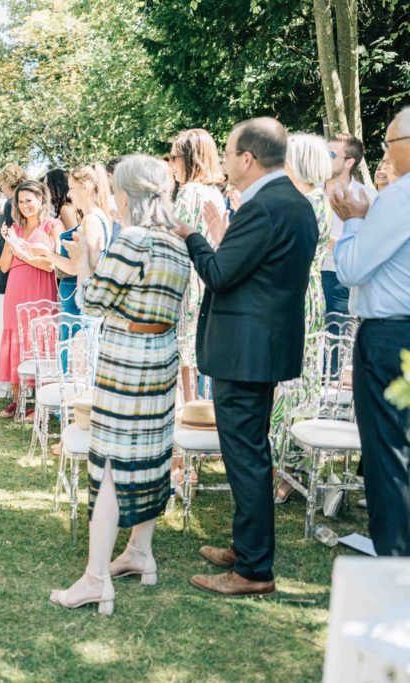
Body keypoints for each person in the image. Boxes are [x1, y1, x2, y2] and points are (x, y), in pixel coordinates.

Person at [177, 117, 317, 597]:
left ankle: (254, 569)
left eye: (230, 153)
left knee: (246, 457)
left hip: (245, 352)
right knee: (250, 451)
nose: (226, 162)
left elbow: (217, 273)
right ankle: (245, 546)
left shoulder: (263, 209)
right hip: (264, 347)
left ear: (248, 159)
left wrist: (190, 236)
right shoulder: (294, 203)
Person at [48, 155, 191, 615]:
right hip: (162, 356)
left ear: (125, 194)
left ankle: (95, 579)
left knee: (110, 460)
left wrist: (87, 262)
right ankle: (139, 553)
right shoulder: (175, 243)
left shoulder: (133, 241)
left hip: (127, 358)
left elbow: (92, 300)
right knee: (150, 456)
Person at [331, 106, 410, 557]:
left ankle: (394, 560)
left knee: (386, 454)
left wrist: (355, 219)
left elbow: (353, 269)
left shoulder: (399, 197)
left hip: (390, 336)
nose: (385, 153)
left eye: (389, 145)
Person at [271, 133, 334, 503]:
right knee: (296, 380)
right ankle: (288, 464)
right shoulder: (314, 200)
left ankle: (288, 467)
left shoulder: (307, 203)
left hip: (297, 296)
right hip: (304, 293)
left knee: (293, 383)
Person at [167, 129, 226, 404]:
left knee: (186, 350)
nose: (171, 164)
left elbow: (174, 236)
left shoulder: (190, 192)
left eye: (174, 157)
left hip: (188, 276)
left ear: (189, 159)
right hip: (209, 272)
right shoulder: (214, 192)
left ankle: (190, 412)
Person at [0, 180, 59, 419]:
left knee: (41, 339)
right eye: (20, 202)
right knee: (15, 338)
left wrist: (22, 252)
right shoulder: (16, 229)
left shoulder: (53, 226)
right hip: (15, 289)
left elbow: (51, 264)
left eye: (29, 201)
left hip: (41, 289)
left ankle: (42, 400)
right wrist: (11, 243)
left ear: (41, 200)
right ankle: (17, 399)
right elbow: (3, 266)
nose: (24, 206)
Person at [321, 134, 377, 324]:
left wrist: (323, 237)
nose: (323, 158)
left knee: (335, 346)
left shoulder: (367, 197)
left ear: (349, 162)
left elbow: (367, 250)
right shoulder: (308, 192)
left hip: (338, 281)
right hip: (301, 275)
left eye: (330, 154)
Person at [0, 163, 28, 400]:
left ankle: (2, 382)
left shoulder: (12, 204)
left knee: (1, 331)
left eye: (0, 184)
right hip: (23, 274)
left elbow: (5, 245)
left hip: (7, 274)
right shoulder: (28, 200)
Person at [55, 165, 113, 316]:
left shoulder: (91, 220)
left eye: (71, 188)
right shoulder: (98, 216)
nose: (68, 194)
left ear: (84, 188)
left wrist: (46, 254)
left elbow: (79, 267)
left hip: (82, 307)